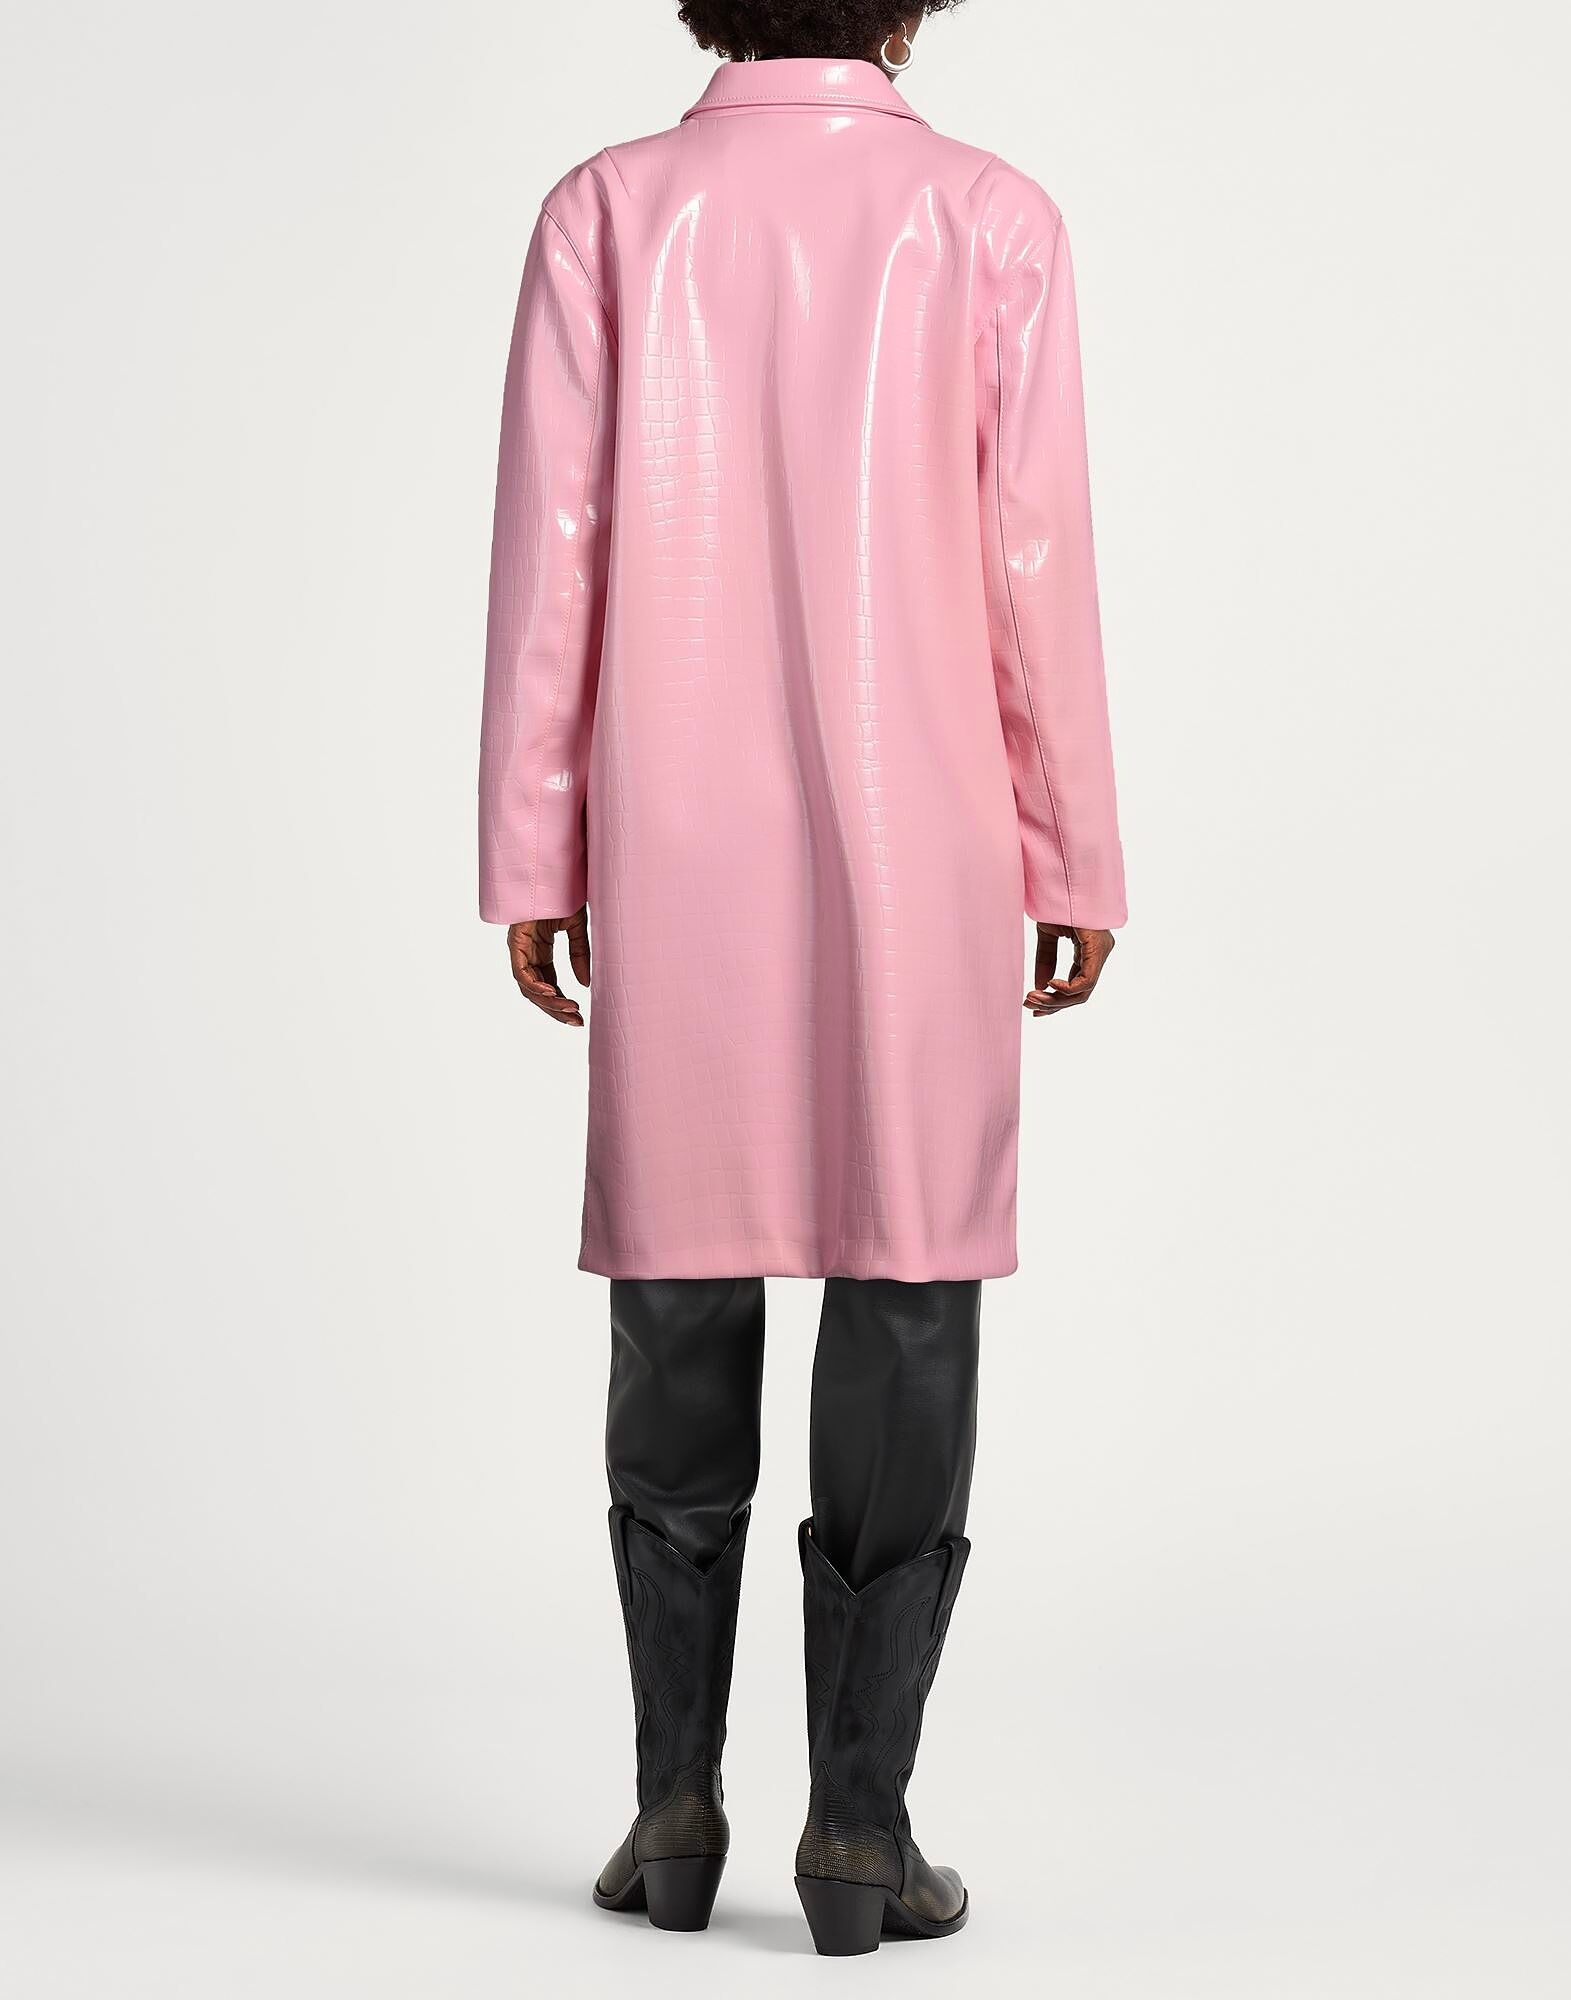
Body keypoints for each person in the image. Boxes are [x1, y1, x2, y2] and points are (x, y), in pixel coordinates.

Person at [477, 0, 1126, 1958]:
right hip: (925, 838)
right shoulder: (988, 216)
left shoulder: (609, 211)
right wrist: (1073, 845)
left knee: (679, 1275)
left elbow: (555, 553)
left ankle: (675, 1809)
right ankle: (861, 1828)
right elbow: (1031, 560)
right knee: (908, 1274)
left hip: (672, 836)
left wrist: (534, 846)